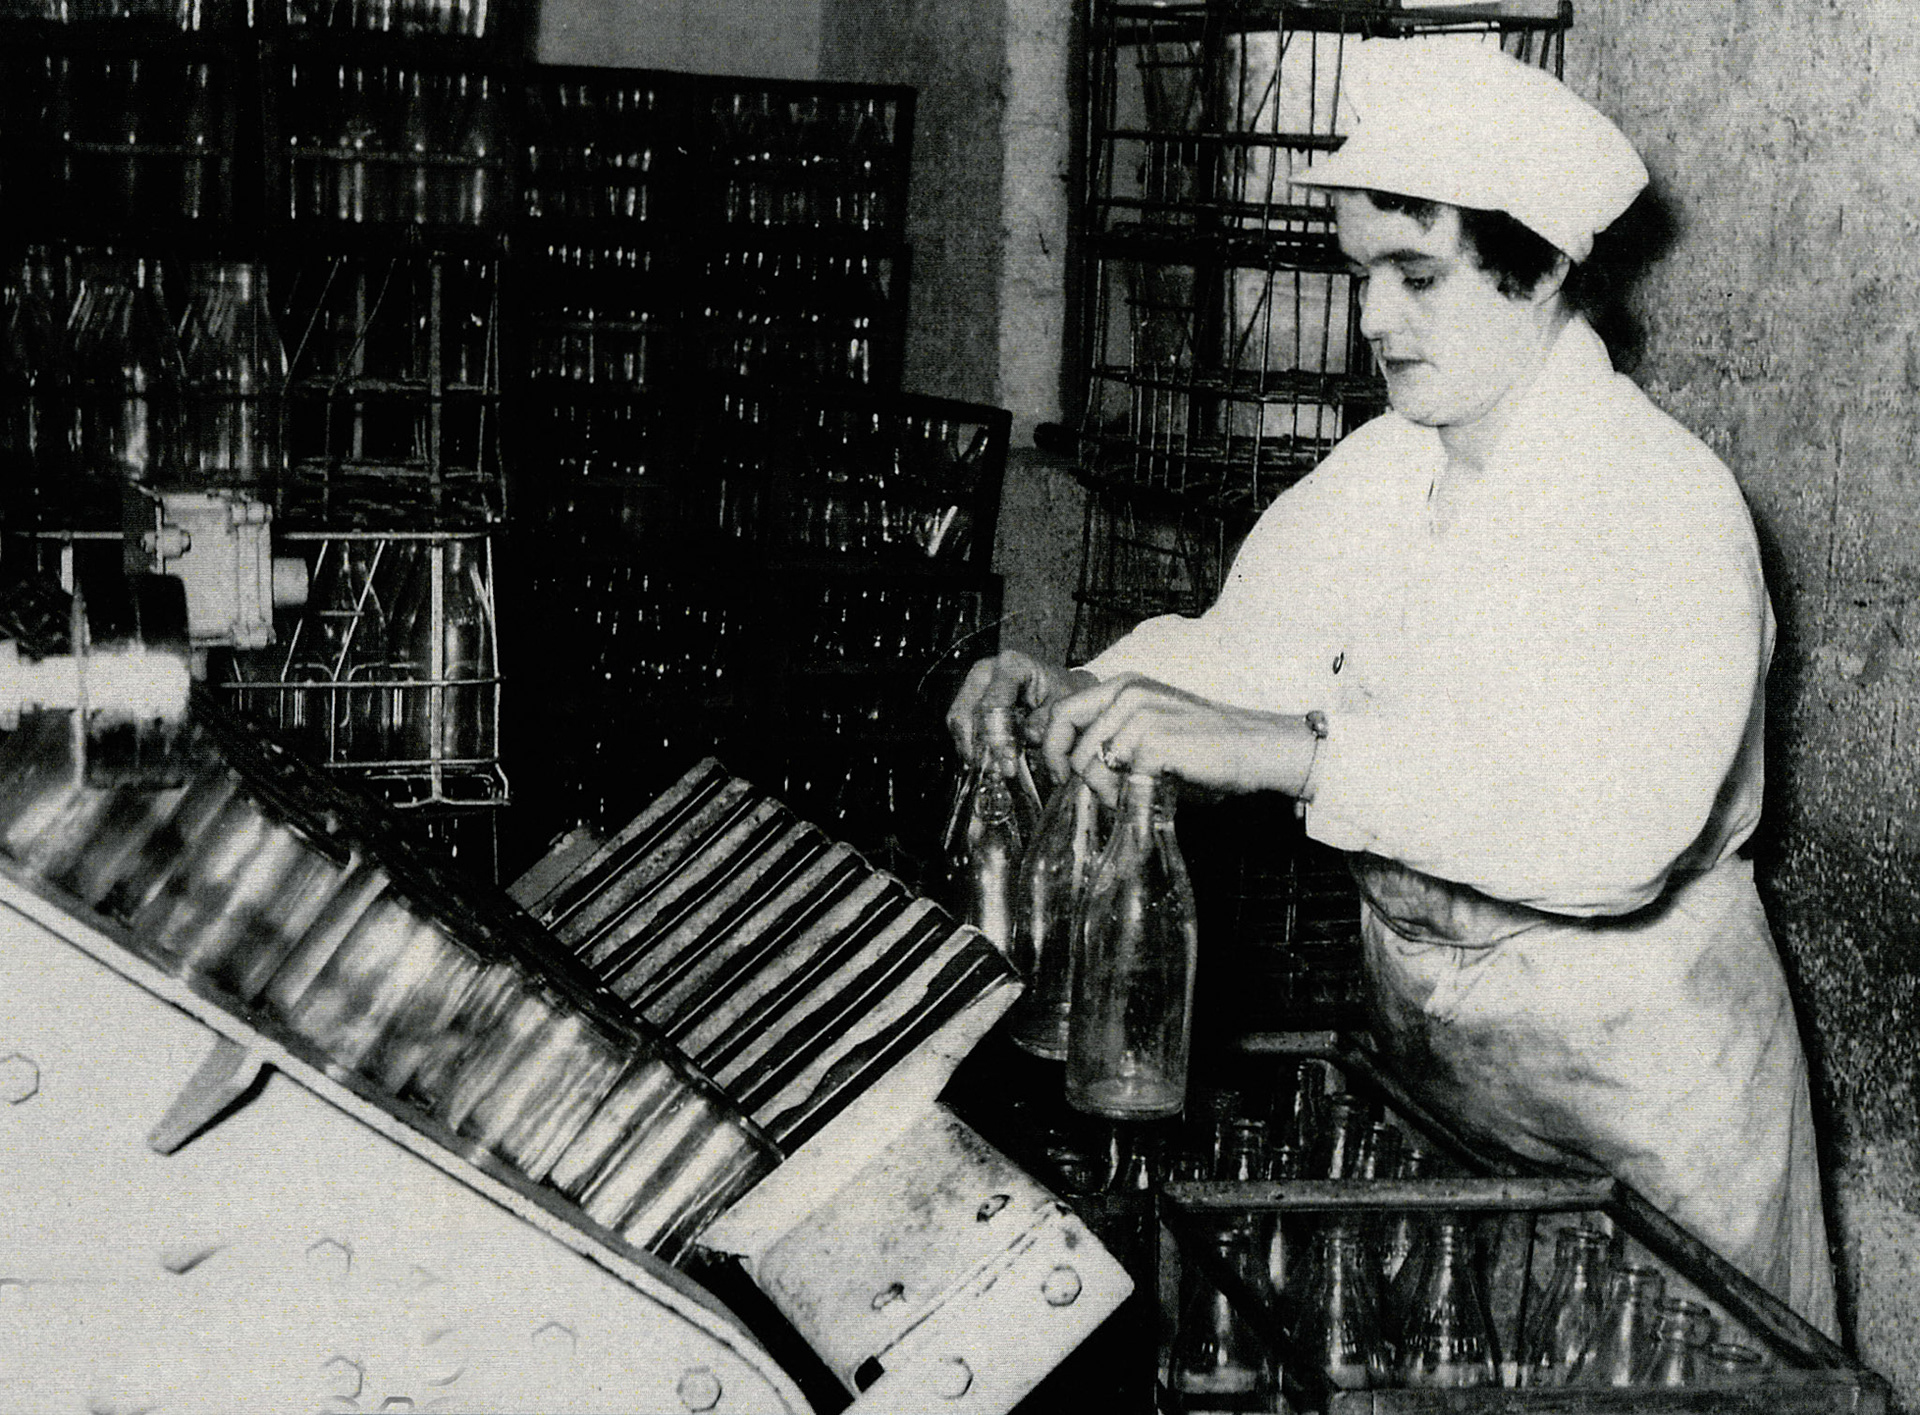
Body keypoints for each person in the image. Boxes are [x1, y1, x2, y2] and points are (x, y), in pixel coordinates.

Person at [949, 38, 1837, 1334]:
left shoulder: (1660, 504)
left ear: (1535, 273)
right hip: (1453, 1075)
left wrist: (1308, 753)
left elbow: (1617, 841)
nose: (1375, 319)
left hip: (1645, 1097)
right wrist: (1082, 687)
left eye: (1416, 276)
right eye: (1365, 275)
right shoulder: (1388, 469)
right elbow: (1242, 650)